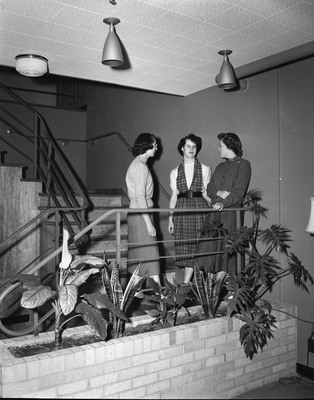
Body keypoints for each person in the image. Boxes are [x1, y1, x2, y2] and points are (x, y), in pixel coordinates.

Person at [193, 132, 251, 275]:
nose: (218, 149)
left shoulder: (244, 165)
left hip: (231, 216)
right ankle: (211, 294)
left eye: (220, 146)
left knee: (227, 258)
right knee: (208, 254)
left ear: (229, 146)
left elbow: (239, 192)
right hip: (214, 214)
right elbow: (210, 188)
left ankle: (226, 292)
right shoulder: (219, 167)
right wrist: (219, 193)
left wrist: (224, 203)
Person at [168, 133, 211, 283]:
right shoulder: (175, 172)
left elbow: (206, 193)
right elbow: (174, 197)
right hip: (182, 211)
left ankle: (187, 285)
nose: (191, 149)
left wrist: (217, 207)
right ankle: (186, 285)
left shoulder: (205, 169)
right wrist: (170, 219)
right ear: (182, 148)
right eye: (188, 146)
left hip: (199, 209)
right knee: (186, 248)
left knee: (199, 248)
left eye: (194, 146)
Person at [125, 133, 161, 286]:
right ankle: (161, 296)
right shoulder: (140, 167)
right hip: (141, 216)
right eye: (155, 144)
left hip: (139, 214)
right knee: (150, 255)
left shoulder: (138, 164)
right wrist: (149, 224)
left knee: (141, 257)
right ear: (148, 146)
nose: (157, 147)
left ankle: (134, 294)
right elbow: (140, 197)